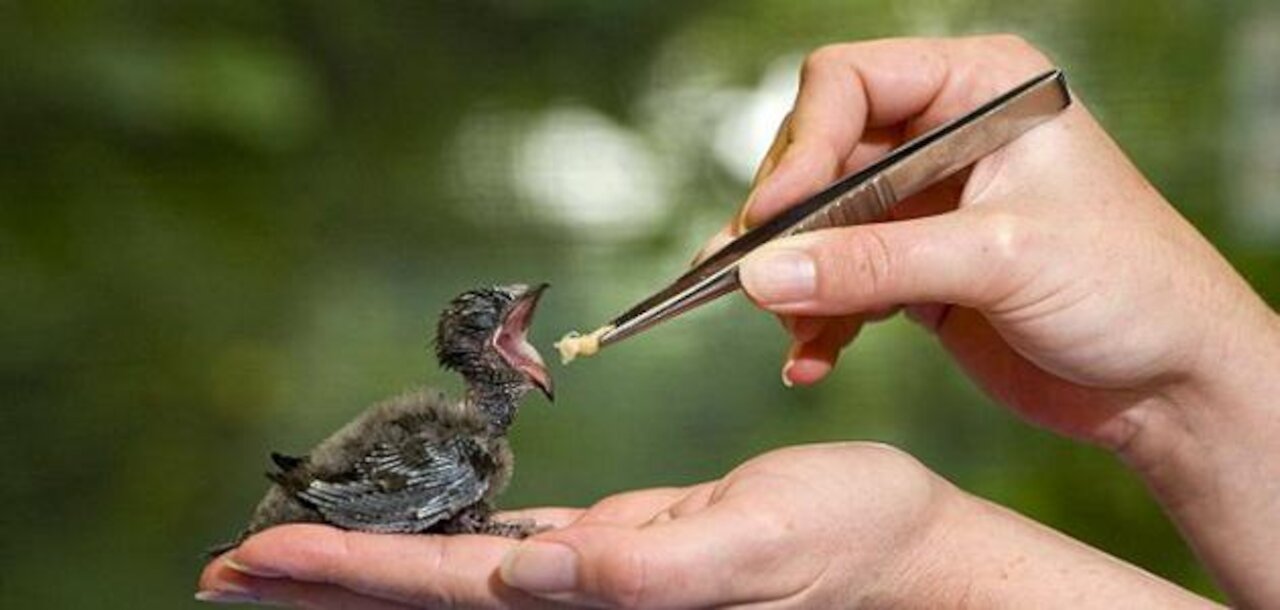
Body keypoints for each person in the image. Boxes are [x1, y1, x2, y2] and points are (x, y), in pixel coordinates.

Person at [197, 35, 1279, 608]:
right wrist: (1201, 379)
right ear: (487, 351)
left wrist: (925, 561)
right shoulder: (459, 443)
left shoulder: (465, 440)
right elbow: (359, 489)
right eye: (506, 326)